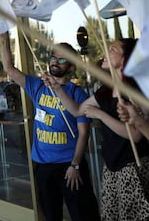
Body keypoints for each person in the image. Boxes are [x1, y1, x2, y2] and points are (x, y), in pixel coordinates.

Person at [43, 38, 149, 221]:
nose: (106, 53)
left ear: (125, 59)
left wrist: (100, 115)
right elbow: (77, 110)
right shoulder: (105, 91)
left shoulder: (137, 91)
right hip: (111, 168)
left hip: (133, 168)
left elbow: (135, 135)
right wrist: (57, 89)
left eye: (113, 49)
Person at [0, 32, 100, 221]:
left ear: (70, 66)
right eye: (53, 57)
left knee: (84, 215)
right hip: (43, 166)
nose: (55, 61)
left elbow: (83, 133)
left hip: (70, 166)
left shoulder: (77, 93)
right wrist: (4, 39)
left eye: (62, 59)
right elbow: (9, 68)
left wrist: (75, 165)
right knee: (51, 215)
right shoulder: (38, 85)